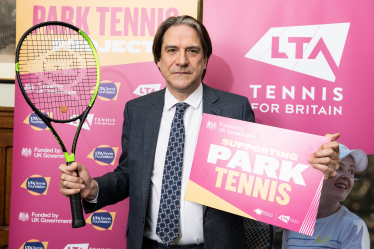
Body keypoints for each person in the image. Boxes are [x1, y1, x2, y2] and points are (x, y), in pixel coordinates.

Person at [59, 15, 341, 249]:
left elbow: (263, 174)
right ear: (158, 60)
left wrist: (312, 168)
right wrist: (93, 188)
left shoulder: (234, 108)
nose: (181, 60)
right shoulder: (138, 110)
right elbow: (129, 174)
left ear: (205, 60)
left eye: (192, 51)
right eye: (171, 50)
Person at [282, 143, 370, 249]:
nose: (347, 176)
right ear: (316, 173)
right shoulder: (293, 221)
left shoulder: (353, 226)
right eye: (338, 168)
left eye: (351, 171)